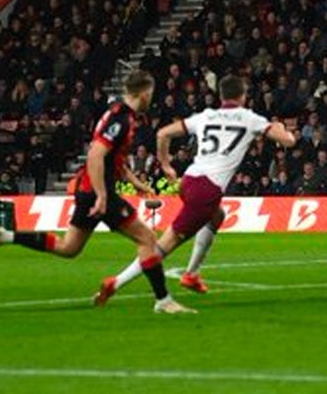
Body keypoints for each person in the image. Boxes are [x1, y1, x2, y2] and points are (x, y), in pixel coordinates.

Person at [0, 71, 194, 314]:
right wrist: (101, 195)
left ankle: (5, 236)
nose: (150, 100)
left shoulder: (117, 113)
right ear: (143, 94)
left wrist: (135, 183)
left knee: (69, 247)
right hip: (97, 191)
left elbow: (112, 159)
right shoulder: (121, 120)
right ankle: (163, 300)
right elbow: (95, 155)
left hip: (89, 189)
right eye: (150, 94)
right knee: (148, 239)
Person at [93, 74, 297, 304]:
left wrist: (166, 164)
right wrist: (282, 128)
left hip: (189, 180)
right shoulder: (250, 119)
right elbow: (288, 141)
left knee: (217, 215)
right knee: (163, 245)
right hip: (206, 190)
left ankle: (191, 274)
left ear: (221, 96)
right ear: (243, 96)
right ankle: (116, 282)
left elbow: (163, 133)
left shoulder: (206, 115)